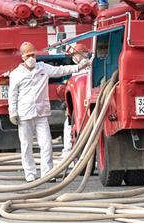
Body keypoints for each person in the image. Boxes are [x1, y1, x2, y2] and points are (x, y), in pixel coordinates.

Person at [8, 41, 90, 182]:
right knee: (26, 145)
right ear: (22, 57)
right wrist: (13, 112)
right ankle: (30, 174)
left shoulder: (42, 68)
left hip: (41, 113)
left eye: (33, 54)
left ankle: (47, 173)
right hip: (24, 114)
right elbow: (12, 94)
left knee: (46, 144)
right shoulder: (16, 74)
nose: (31, 58)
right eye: (28, 55)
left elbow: (61, 70)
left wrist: (78, 67)